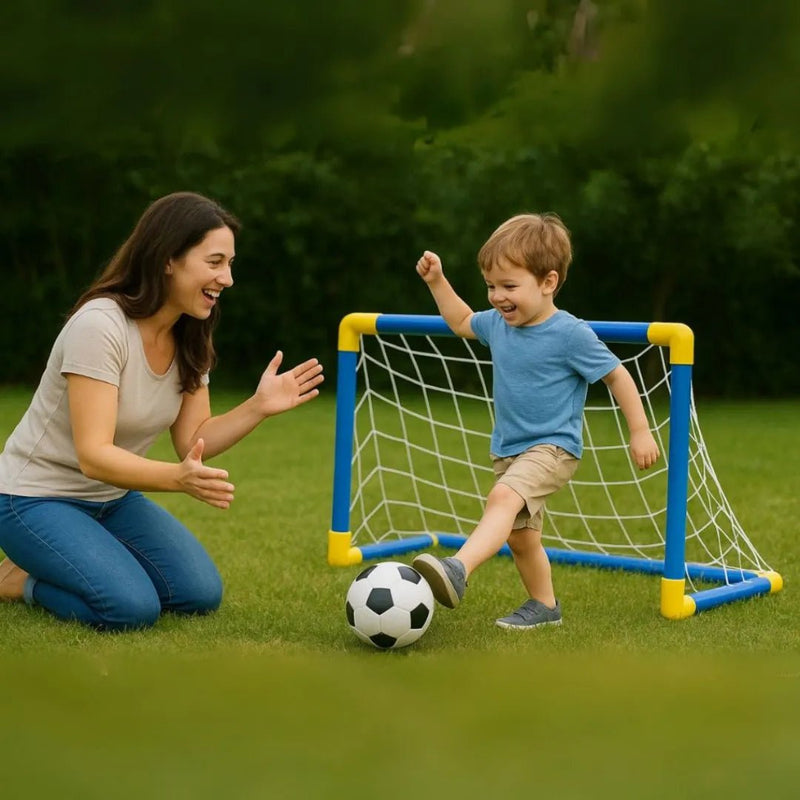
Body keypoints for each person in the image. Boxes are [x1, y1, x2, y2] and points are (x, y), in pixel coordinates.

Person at [0, 191, 324, 631]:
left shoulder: (189, 335)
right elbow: (93, 455)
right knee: (131, 608)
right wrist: (177, 479)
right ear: (168, 258)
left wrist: (258, 407)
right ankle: (19, 581)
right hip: (33, 499)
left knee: (198, 593)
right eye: (214, 262)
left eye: (230, 264)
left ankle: (69, 557)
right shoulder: (100, 326)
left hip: (109, 500)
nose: (227, 278)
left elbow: (194, 440)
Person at [411, 213, 660, 629]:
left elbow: (617, 375)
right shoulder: (498, 325)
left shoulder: (570, 334)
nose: (496, 297)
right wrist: (437, 281)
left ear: (548, 282)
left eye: (509, 286)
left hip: (553, 447)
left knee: (503, 500)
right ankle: (545, 606)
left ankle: (457, 569)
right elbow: (459, 321)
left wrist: (639, 431)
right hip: (507, 449)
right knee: (521, 538)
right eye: (491, 286)